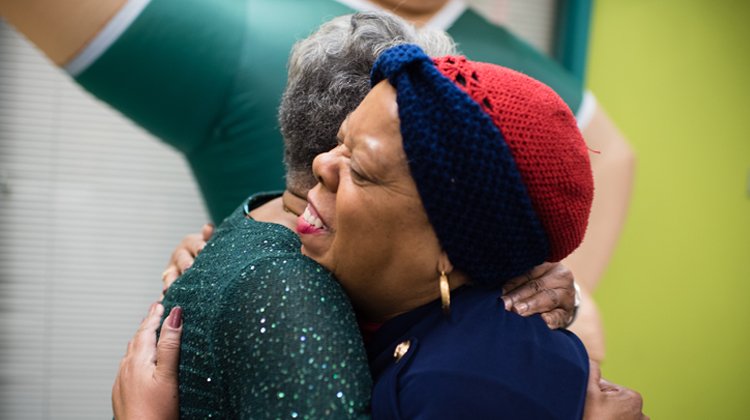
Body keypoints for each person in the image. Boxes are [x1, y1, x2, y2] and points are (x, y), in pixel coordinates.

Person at [0, 4, 634, 346]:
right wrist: (230, 256)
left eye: (359, 167)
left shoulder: (541, 97)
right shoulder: (244, 27)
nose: (328, 169)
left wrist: (546, 300)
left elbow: (614, 162)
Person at [116, 42, 649, 419]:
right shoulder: (394, 300)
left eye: (363, 170)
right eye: (340, 141)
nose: (322, 163)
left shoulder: (469, 384)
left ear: (449, 249)